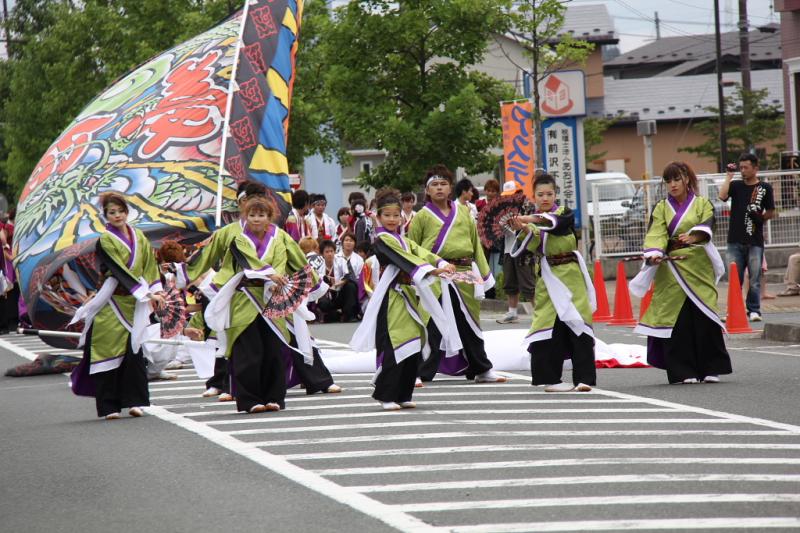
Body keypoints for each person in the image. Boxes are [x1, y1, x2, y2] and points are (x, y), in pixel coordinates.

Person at [203, 197, 337, 413]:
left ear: (269, 217)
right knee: (248, 352)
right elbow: (242, 263)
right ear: (245, 215)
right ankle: (250, 400)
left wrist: (315, 284)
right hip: (245, 297)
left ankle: (274, 397)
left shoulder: (280, 237)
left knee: (274, 350)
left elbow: (296, 261)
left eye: (261, 215)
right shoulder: (236, 237)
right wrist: (270, 276)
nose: (256, 219)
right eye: (252, 215)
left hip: (274, 298)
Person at [350, 188, 459, 410]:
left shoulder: (403, 240)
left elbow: (420, 252)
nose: (392, 219)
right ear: (379, 217)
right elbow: (406, 260)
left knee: (413, 344)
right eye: (387, 215)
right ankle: (386, 393)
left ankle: (403, 392)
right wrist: (432, 270)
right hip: (392, 298)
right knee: (396, 344)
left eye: (396, 215)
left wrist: (440, 263)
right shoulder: (382, 240)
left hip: (408, 295)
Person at [632, 161, 731, 384]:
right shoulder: (660, 208)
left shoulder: (702, 204)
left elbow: (707, 225)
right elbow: (656, 232)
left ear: (686, 178)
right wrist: (655, 252)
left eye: (676, 179)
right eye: (668, 181)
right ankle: (683, 370)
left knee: (704, 315)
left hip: (697, 265)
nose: (673, 184)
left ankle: (710, 368)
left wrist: (695, 236)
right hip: (671, 268)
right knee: (678, 320)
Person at [69, 192, 166, 419]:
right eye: (112, 212)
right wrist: (146, 294)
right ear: (105, 216)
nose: (117, 216)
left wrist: (156, 289)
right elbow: (119, 271)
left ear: (127, 212)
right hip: (113, 299)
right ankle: (109, 405)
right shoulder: (105, 240)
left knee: (134, 351)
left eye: (121, 211)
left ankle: (135, 401)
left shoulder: (139, 236)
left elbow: (150, 265)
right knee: (107, 350)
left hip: (136, 301)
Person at [407, 165, 505, 384]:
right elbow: (412, 247)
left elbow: (475, 244)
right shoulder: (421, 216)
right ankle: (420, 371)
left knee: (469, 322)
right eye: (435, 185)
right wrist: (418, 273)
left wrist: (485, 277)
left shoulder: (463, 212)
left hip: (464, 272)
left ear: (451, 188)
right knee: (432, 323)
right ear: (428, 190)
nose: (439, 188)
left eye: (443, 184)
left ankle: (481, 368)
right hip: (436, 274)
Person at [177, 180, 266, 400]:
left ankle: (312, 378)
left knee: (283, 336)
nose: (254, 209)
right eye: (249, 202)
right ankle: (223, 382)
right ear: (242, 202)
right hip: (232, 291)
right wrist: (181, 272)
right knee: (226, 336)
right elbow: (205, 256)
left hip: (266, 293)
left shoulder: (274, 232)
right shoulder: (228, 232)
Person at [509, 174, 596, 392]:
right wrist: (522, 228)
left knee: (578, 323)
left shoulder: (563, 213)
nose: (545, 198)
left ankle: (584, 378)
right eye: (540, 194)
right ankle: (549, 378)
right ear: (534, 196)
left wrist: (529, 220)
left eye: (549, 194)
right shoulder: (535, 220)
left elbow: (555, 225)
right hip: (547, 277)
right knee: (546, 326)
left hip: (571, 276)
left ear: (555, 194)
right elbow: (531, 243)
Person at [719, 153, 777, 322]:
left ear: (755, 168)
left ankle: (754, 310)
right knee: (734, 280)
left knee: (754, 278)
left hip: (755, 240)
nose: (743, 171)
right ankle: (732, 311)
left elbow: (771, 211)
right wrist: (729, 176)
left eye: (746, 167)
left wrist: (760, 218)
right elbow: (722, 196)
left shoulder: (765, 188)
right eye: (741, 167)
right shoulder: (736, 186)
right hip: (734, 239)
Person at [496, 181, 535, 323]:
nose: (508, 198)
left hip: (524, 249)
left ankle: (539, 313)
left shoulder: (529, 207)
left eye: (511, 195)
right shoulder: (502, 209)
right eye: (506, 196)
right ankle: (512, 313)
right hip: (507, 248)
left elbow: (533, 228)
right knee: (509, 283)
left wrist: (518, 226)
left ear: (519, 193)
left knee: (528, 284)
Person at [334, 232, 364, 321]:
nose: (348, 243)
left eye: (351, 241)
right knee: (348, 285)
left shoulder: (359, 259)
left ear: (355, 243)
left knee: (351, 285)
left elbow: (359, 277)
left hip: (354, 288)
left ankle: (351, 314)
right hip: (338, 288)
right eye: (346, 240)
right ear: (342, 243)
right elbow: (336, 275)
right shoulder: (336, 257)